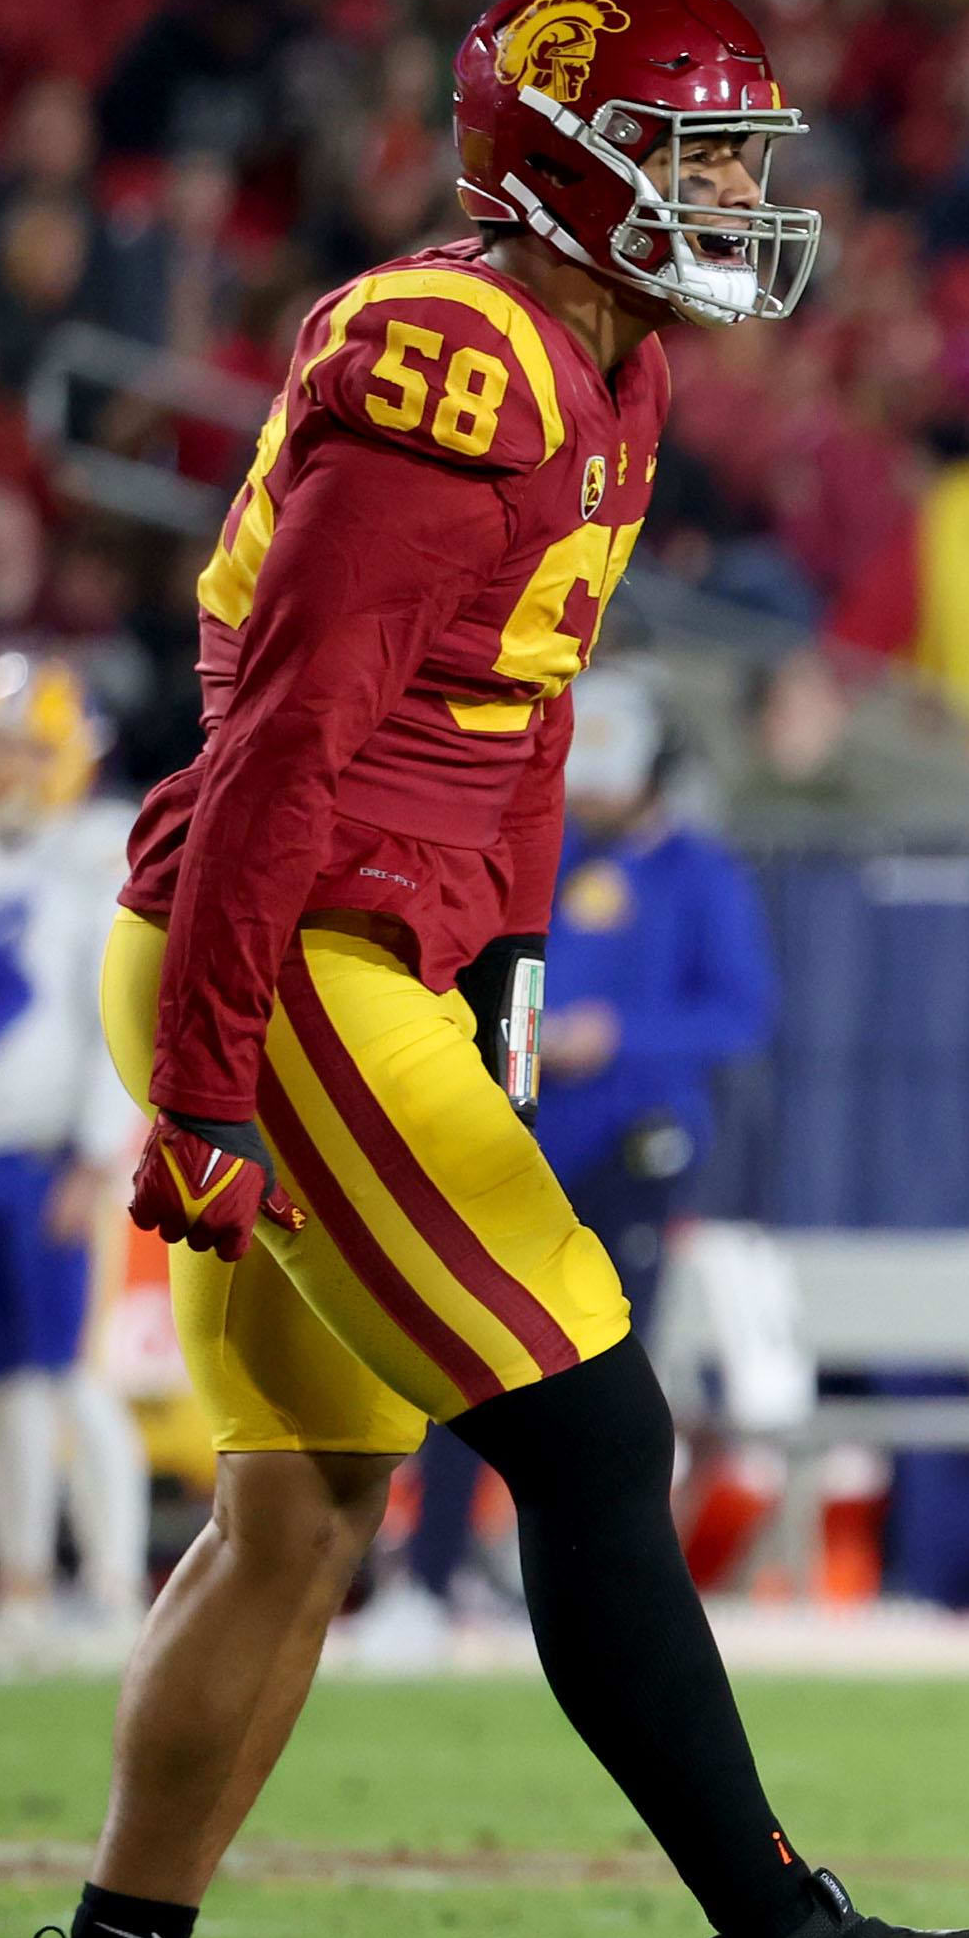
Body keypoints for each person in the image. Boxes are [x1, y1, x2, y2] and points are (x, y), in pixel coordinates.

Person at [6, 0, 969, 1938]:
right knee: (592, 1431)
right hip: (282, 943)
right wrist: (213, 1077)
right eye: (689, 151)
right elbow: (290, 739)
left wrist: (496, 976)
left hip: (355, 954)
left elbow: (520, 711)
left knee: (302, 1508)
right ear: (559, 156)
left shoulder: (608, 354)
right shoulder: (447, 356)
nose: (729, 194)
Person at [353, 669, 772, 1665]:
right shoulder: (549, 850)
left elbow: (742, 1013)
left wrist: (620, 1034)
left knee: (607, 1385)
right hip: (524, 1146)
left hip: (632, 1149)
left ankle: (598, 1591)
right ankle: (434, 1570)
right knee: (475, 1364)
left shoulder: (700, 872)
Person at [0, 658, 149, 1651]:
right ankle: (24, 1591)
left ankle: (121, 1584)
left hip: (53, 1157)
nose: (8, 766)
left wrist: (96, 1152)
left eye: (26, 746)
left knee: (75, 1377)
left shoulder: (102, 853)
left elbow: (116, 1016)